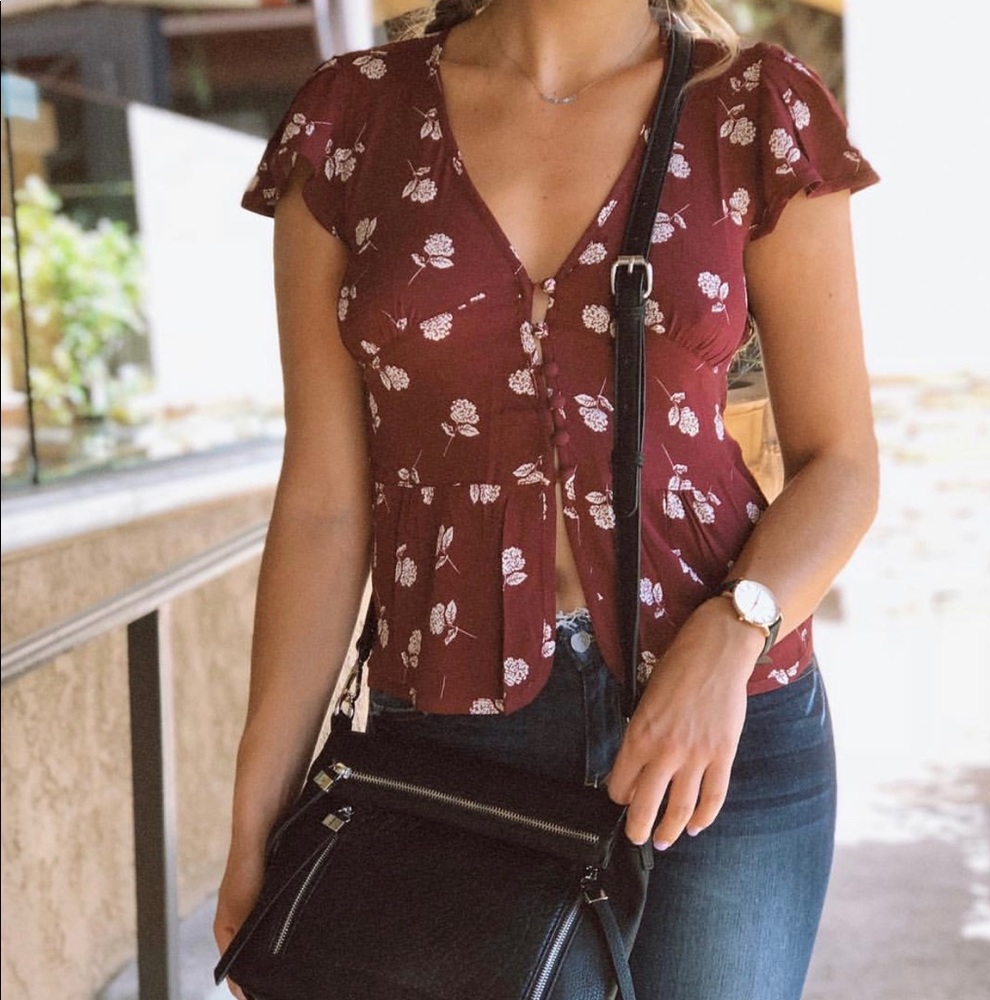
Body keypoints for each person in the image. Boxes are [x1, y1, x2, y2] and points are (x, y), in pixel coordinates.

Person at [214, 1, 880, 997]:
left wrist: (731, 635)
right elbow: (322, 504)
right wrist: (255, 819)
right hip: (449, 729)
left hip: (721, 724)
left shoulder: (752, 107)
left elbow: (843, 463)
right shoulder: (351, 120)